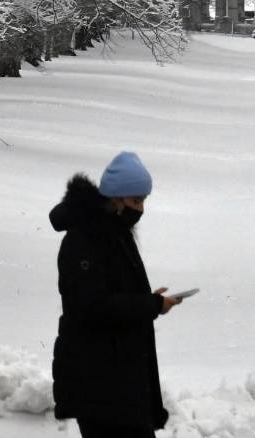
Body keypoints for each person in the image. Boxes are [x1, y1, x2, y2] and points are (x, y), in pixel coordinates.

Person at [51, 152, 179, 438]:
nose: (141, 209)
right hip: (97, 382)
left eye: (144, 201)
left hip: (118, 381)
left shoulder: (115, 231)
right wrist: (150, 304)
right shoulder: (84, 240)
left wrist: (149, 300)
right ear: (116, 199)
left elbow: (113, 293)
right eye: (136, 201)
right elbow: (91, 307)